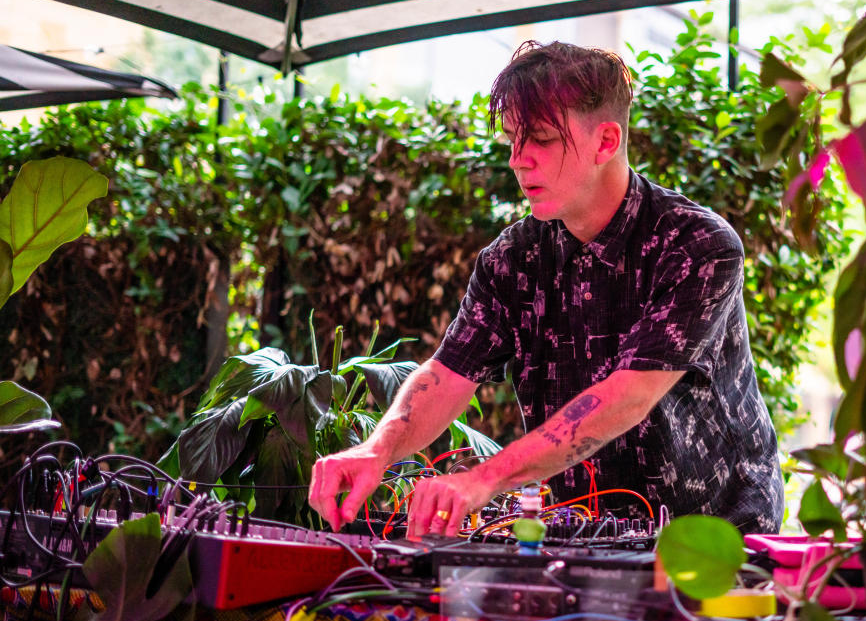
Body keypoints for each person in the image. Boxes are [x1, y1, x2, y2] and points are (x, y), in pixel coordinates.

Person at [308, 41, 783, 537]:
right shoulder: (511, 259)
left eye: (539, 137)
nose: (517, 160)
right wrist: (375, 449)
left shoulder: (696, 244)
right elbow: (448, 375)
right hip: (588, 534)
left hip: (722, 533)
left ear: (605, 142)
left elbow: (628, 396)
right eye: (512, 138)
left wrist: (484, 479)